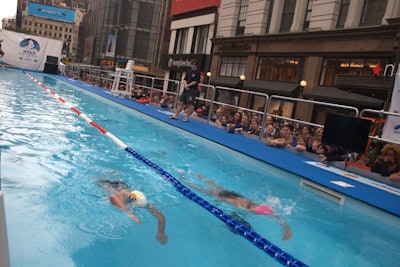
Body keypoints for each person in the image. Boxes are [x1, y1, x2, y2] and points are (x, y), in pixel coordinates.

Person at [182, 174, 292, 241]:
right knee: (204, 190)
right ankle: (187, 181)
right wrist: (287, 230)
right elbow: (276, 217)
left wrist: (287, 230)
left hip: (233, 196)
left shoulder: (254, 206)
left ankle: (198, 178)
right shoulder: (252, 207)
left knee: (214, 187)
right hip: (230, 197)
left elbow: (276, 217)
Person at [98, 179, 168, 244]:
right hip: (107, 186)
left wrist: (161, 232)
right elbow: (113, 197)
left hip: (121, 186)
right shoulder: (124, 195)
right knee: (100, 183)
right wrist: (129, 213)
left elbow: (161, 217)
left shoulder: (144, 202)